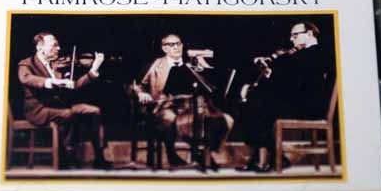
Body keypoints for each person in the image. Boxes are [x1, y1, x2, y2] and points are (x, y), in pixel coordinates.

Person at [239, 22, 333, 172]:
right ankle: (266, 159)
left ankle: (269, 159)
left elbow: (296, 84)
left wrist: (271, 74)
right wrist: (269, 74)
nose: (291, 39)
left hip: (310, 107)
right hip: (300, 102)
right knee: (254, 105)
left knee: (258, 106)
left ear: (309, 34)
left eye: (295, 35)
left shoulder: (316, 53)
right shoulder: (303, 54)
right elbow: (288, 80)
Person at [135, 33, 234, 170]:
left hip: (194, 106)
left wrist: (204, 69)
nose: (176, 47)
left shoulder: (192, 63)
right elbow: (138, 85)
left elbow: (212, 87)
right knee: (168, 118)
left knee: (226, 119)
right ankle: (172, 154)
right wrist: (141, 93)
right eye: (171, 44)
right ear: (164, 48)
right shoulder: (156, 64)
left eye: (178, 44)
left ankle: (208, 153)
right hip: (166, 106)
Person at [17, 32, 112, 169]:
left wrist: (93, 69)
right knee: (68, 114)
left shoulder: (56, 66)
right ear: (40, 47)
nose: (59, 48)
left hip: (58, 107)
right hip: (39, 109)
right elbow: (26, 78)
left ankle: (99, 157)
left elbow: (74, 85)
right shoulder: (27, 64)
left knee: (94, 111)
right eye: (54, 45)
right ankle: (66, 158)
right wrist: (52, 81)